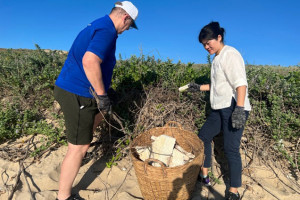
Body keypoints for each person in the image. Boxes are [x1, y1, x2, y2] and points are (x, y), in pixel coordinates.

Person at [53, 1, 138, 200]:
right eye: (130, 25)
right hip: (77, 92)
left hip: (75, 89)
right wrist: (101, 95)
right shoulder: (107, 31)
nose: (127, 30)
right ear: (125, 17)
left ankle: (81, 145)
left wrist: (106, 91)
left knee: (98, 116)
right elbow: (89, 61)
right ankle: (63, 196)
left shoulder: (98, 24)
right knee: (78, 148)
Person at [187, 21, 251, 200]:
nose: (206, 47)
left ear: (219, 37)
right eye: (204, 45)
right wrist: (197, 87)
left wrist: (239, 109)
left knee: (231, 148)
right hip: (219, 108)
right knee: (204, 137)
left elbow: (240, 83)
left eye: (209, 43)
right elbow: (216, 86)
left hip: (233, 106)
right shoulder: (217, 58)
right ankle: (205, 176)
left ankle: (234, 191)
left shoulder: (230, 54)